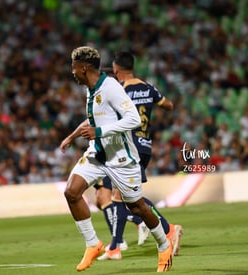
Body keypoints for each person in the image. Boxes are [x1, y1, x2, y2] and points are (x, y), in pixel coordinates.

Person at [60, 46, 173, 272]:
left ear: (83, 68)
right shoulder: (90, 89)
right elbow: (94, 119)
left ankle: (164, 244)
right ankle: (93, 244)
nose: (72, 73)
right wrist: (72, 136)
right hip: (97, 153)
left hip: (120, 158)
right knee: (71, 192)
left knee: (137, 207)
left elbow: (134, 120)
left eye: (73, 68)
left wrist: (100, 133)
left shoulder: (111, 87)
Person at [96, 51, 183, 261]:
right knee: (126, 198)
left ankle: (165, 231)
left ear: (116, 70)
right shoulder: (147, 86)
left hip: (127, 147)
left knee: (123, 197)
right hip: (145, 146)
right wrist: (149, 103)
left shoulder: (120, 90)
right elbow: (169, 105)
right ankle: (117, 246)